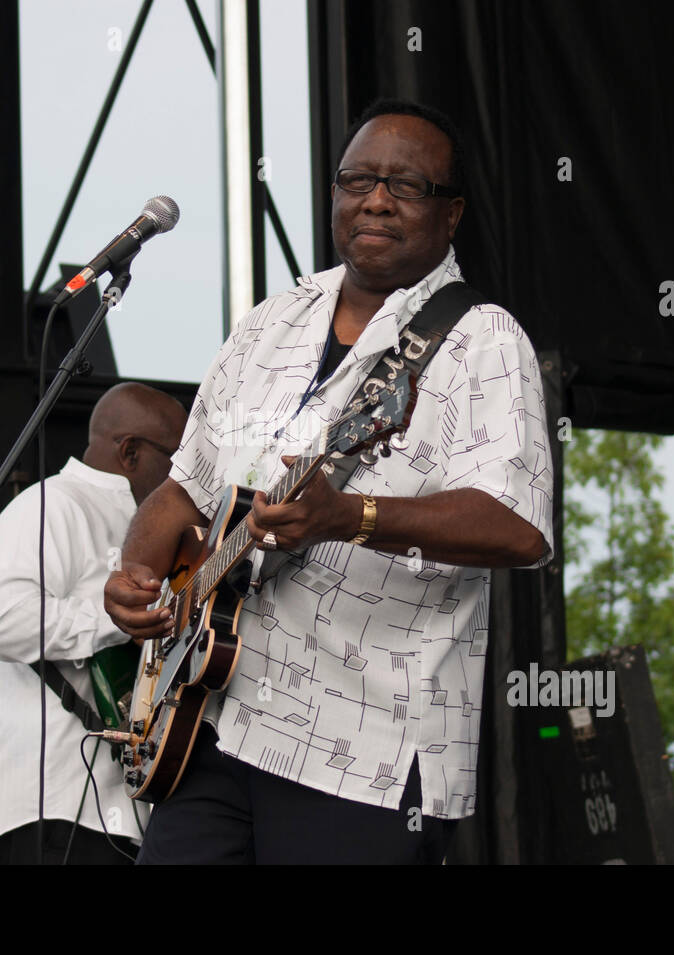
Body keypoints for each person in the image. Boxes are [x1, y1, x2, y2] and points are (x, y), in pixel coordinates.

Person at [103, 99, 555, 865]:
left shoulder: (483, 339)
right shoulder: (269, 322)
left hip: (368, 748)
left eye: (405, 186)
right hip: (220, 719)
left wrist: (352, 513)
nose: (375, 199)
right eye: (358, 181)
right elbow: (183, 490)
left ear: (452, 215)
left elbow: (517, 525)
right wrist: (139, 572)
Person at [0, 381, 187, 864]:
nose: (183, 475)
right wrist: (119, 618)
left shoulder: (139, 521)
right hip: (55, 806)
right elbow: (4, 621)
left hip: (123, 816)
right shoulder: (53, 503)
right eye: (176, 459)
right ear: (130, 452)